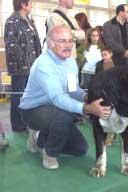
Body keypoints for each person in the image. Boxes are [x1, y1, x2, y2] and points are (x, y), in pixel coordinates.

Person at [19, 26, 111, 170]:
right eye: (62, 41)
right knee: (64, 114)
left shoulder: (70, 62)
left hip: (55, 110)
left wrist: (88, 98)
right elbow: (58, 98)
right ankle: (50, 154)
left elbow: (73, 90)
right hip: (33, 110)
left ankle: (37, 138)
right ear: (50, 43)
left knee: (80, 149)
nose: (68, 45)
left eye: (70, 41)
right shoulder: (43, 64)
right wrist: (87, 108)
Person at [4, 0, 42, 132]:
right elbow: (11, 46)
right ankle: (18, 126)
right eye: (30, 3)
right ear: (23, 5)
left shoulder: (29, 20)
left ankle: (27, 122)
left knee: (29, 96)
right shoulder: (12, 21)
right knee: (18, 96)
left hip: (32, 66)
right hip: (19, 68)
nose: (32, 6)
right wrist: (26, 63)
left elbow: (35, 43)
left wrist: (38, 61)